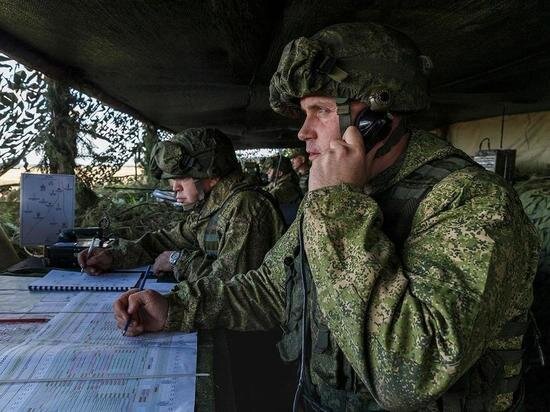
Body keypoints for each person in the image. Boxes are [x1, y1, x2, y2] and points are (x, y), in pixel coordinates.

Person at [113, 23, 539, 411]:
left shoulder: (470, 201)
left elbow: (411, 375)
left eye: (318, 110)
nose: (303, 131)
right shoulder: (343, 193)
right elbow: (274, 288)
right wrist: (176, 308)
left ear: (377, 117)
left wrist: (336, 203)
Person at [78, 127, 285, 282]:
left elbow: (232, 283)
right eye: (171, 180)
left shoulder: (246, 207)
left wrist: (178, 260)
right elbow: (166, 240)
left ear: (211, 176)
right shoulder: (213, 204)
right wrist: (113, 256)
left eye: (181, 178)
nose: (175, 188)